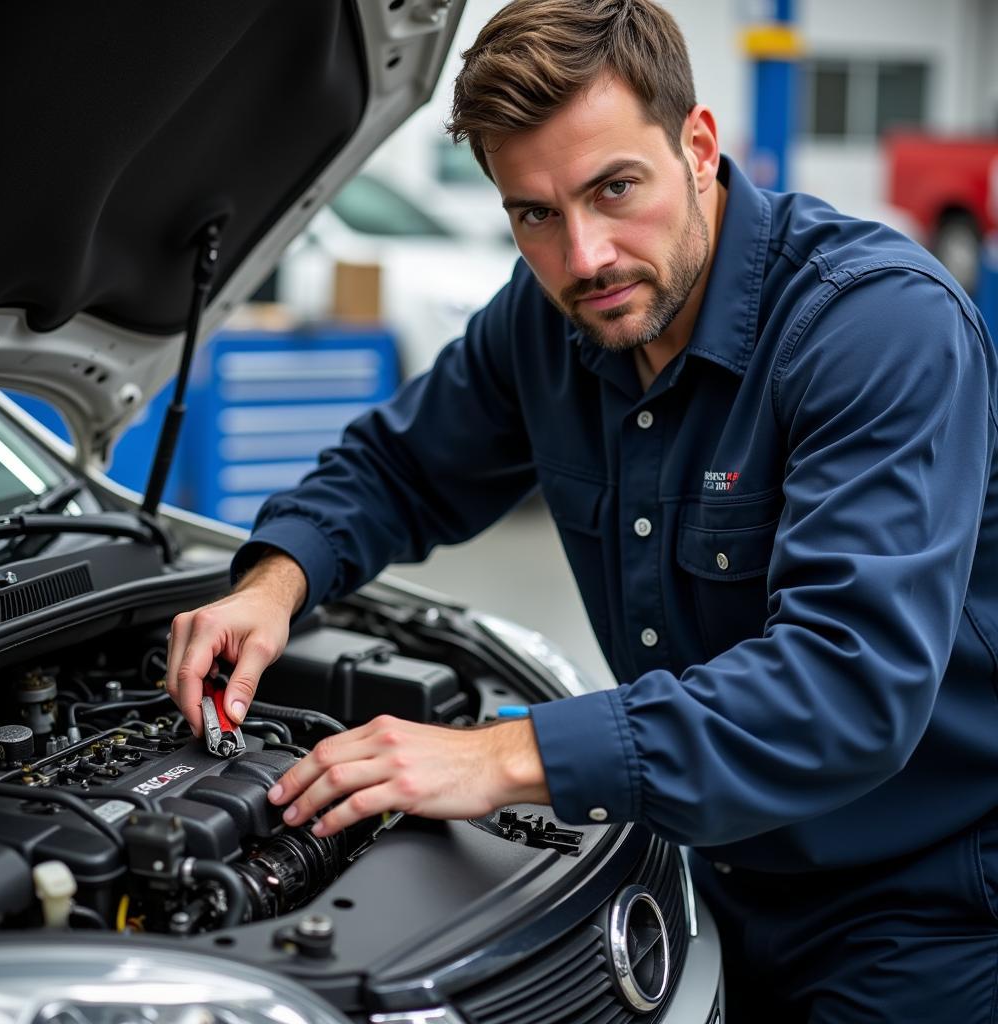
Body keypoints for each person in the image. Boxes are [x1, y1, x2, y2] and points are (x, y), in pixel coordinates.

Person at [167, 1, 998, 1019]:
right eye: (535, 214)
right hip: (702, 865)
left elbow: (847, 686)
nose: (585, 256)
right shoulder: (545, 322)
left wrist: (503, 756)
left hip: (920, 905)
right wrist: (274, 582)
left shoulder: (874, 326)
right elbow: (395, 468)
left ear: (697, 146)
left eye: (615, 189)